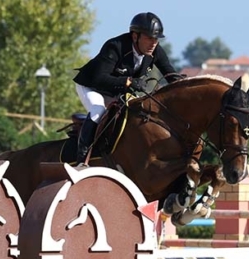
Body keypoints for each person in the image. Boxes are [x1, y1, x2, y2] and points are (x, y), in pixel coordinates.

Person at [72, 11, 183, 165]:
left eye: (156, 39)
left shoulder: (155, 50)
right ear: (135, 36)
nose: (153, 43)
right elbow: (99, 78)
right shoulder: (115, 47)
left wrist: (186, 85)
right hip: (92, 86)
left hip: (115, 91)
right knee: (98, 113)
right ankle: (81, 160)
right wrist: (128, 82)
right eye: (149, 38)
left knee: (137, 113)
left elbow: (171, 74)